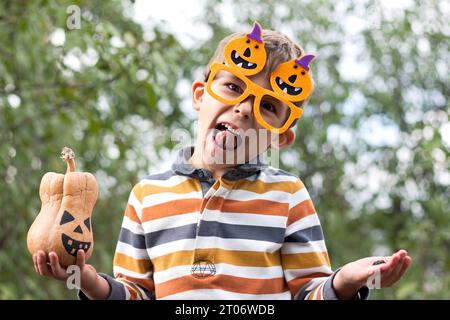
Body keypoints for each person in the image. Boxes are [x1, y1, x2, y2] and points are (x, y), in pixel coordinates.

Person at [32, 22, 411, 300]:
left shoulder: (288, 196)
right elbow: (135, 293)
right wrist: (87, 281)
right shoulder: (147, 196)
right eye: (233, 87)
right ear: (200, 95)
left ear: (281, 136)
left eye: (268, 106)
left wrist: (343, 282)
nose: (245, 108)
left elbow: (308, 293)